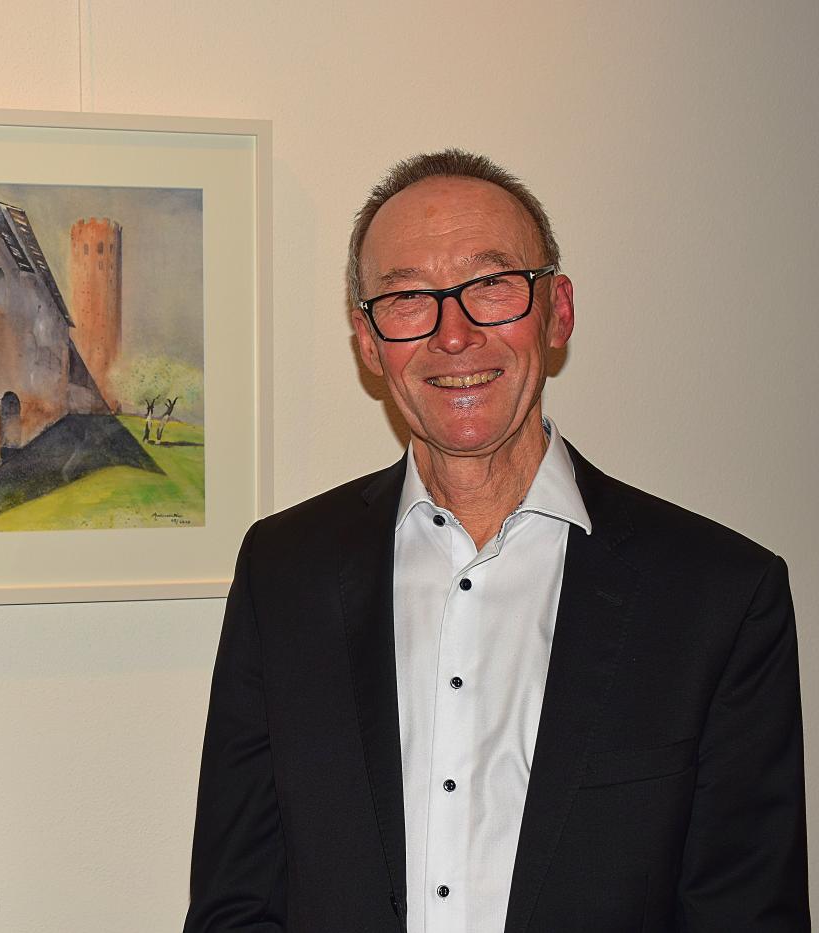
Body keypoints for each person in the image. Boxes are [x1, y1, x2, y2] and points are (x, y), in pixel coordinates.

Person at [184, 151, 807, 932]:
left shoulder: (720, 596)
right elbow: (236, 902)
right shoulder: (284, 572)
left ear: (557, 311)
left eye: (491, 285)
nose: (454, 334)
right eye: (408, 297)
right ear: (369, 342)